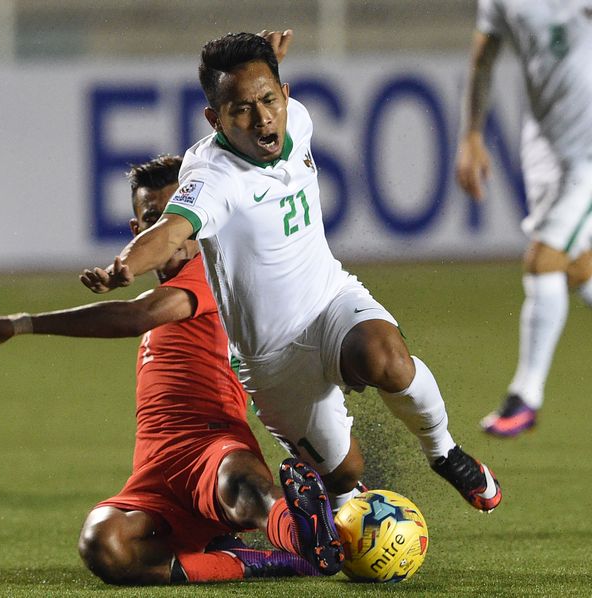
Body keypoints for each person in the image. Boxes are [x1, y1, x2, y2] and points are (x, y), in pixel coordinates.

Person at [81, 33, 503, 572]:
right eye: (241, 109)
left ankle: (444, 452)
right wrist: (125, 265)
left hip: (329, 301)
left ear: (285, 93)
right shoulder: (211, 177)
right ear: (215, 120)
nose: (262, 119)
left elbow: (265, 97)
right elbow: (170, 231)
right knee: (345, 474)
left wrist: (266, 70)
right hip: (271, 360)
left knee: (385, 357)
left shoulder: (296, 119)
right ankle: (337, 522)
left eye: (268, 100)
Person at [0, 153, 344, 584]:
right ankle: (254, 559)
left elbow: (135, 316)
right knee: (102, 544)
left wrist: (21, 324)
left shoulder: (213, 271)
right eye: (153, 219)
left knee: (241, 487)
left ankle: (304, 539)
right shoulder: (170, 293)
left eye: (177, 217)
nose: (168, 233)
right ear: (137, 231)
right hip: (154, 471)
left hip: (212, 447)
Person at [455, 1, 592, 438]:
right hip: (546, 143)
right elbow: (484, 56)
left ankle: (525, 396)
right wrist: (471, 135)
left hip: (589, 153)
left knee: (543, 259)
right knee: (577, 267)